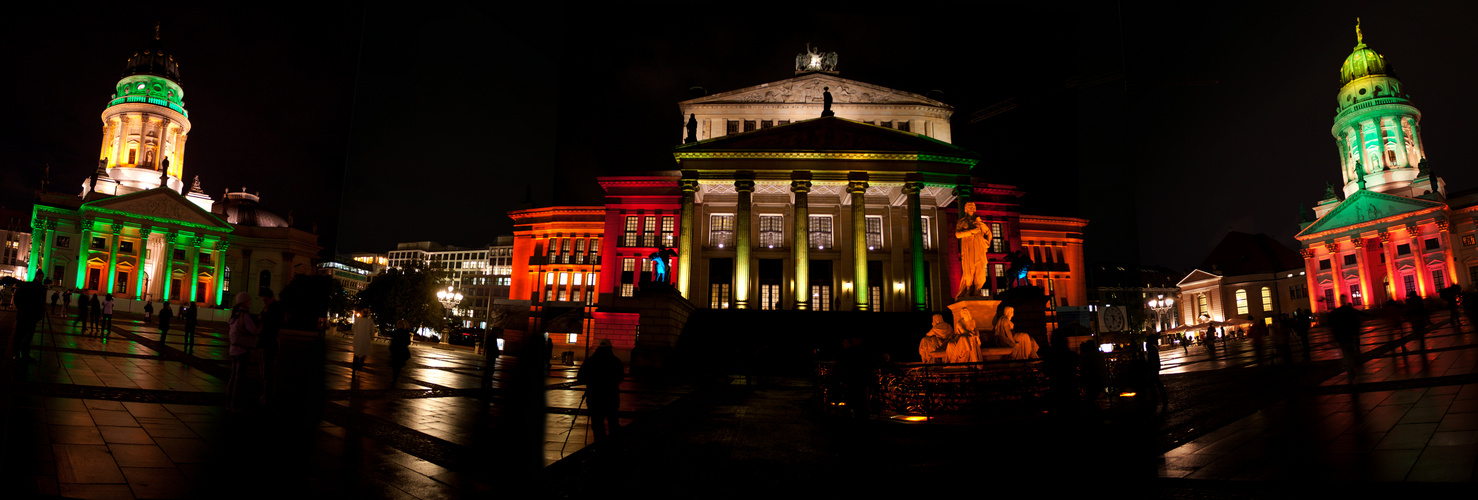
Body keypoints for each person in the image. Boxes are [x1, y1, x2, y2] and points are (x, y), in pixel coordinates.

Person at [577, 339, 625, 439]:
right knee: (613, 421)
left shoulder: (590, 361)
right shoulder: (616, 362)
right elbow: (620, 378)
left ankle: (599, 445)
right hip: (611, 396)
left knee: (597, 423)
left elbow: (581, 378)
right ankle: (613, 444)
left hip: (594, 396)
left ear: (598, 348)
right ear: (610, 348)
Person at [227, 292, 261, 412]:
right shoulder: (244, 315)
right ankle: (235, 404)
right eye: (249, 301)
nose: (251, 303)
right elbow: (253, 330)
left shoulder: (234, 315)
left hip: (233, 349)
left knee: (233, 377)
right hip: (242, 350)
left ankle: (229, 401)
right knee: (239, 378)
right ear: (245, 302)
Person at [953, 203, 992, 300]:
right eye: (969, 207)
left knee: (980, 268)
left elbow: (988, 233)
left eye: (973, 207)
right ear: (965, 209)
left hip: (979, 247)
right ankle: (968, 288)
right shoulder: (962, 221)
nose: (971, 209)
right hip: (968, 248)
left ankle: (977, 290)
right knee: (969, 268)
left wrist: (981, 223)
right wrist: (970, 232)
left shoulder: (979, 222)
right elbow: (957, 234)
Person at [9, 273, 48, 363]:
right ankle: (16, 354)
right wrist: (21, 309)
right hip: (24, 315)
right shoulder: (27, 285)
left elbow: (42, 303)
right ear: (36, 276)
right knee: (20, 335)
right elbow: (17, 298)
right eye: (39, 276)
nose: (40, 278)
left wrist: (40, 314)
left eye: (42, 277)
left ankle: (25, 354)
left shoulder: (41, 288)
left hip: (33, 317)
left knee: (29, 337)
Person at [257, 289, 284, 405]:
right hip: (267, 342)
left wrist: (263, 317)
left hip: (269, 343)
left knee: (267, 371)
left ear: (271, 298)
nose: (264, 302)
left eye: (266, 300)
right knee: (266, 371)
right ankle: (266, 395)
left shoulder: (274, 309)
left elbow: (270, 323)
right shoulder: (269, 308)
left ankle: (267, 397)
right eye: (263, 300)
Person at [351, 307, 374, 376]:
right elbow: (372, 331)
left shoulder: (357, 320)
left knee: (356, 353)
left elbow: (353, 328)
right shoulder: (370, 321)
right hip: (366, 339)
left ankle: (354, 367)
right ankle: (360, 366)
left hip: (357, 338)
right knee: (364, 352)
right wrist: (372, 337)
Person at [390, 319, 411, 386]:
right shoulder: (406, 333)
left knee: (395, 367)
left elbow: (393, 341)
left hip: (395, 351)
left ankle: (394, 379)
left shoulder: (396, 332)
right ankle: (395, 379)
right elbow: (408, 342)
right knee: (398, 366)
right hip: (402, 351)